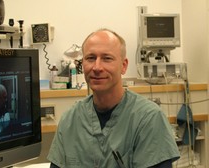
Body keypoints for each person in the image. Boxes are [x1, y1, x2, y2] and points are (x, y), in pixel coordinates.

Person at [47, 29, 180, 168]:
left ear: (124, 66)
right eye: (90, 58)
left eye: (107, 58)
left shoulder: (148, 119)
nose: (97, 67)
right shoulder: (70, 120)